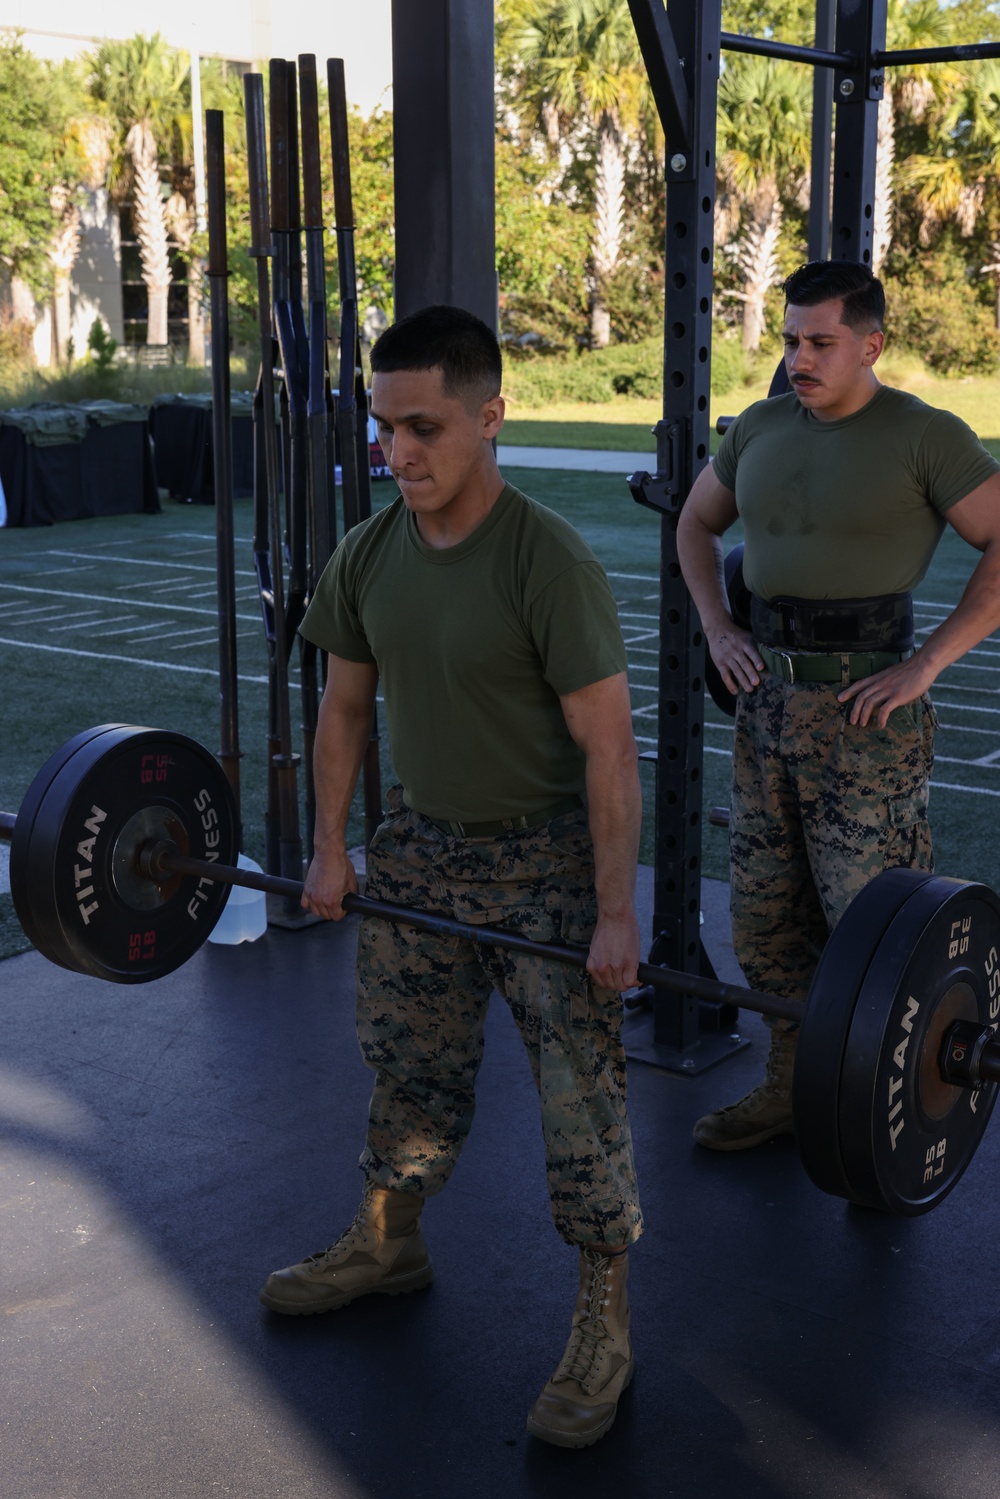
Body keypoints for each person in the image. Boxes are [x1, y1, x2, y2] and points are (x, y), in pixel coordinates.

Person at [259, 304, 643, 1449]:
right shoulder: (368, 551)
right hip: (420, 848)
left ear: (490, 417)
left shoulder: (546, 561)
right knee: (408, 1066)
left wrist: (616, 910)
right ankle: (390, 1237)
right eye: (384, 428)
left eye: (422, 425)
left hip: (541, 863)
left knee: (579, 1103)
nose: (398, 451)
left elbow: (609, 746)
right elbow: (341, 706)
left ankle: (605, 1317)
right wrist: (331, 845)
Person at [677, 259, 1000, 1151]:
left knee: (874, 930)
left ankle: (891, 1116)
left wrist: (927, 664)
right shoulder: (759, 428)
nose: (800, 359)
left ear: (872, 344)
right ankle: (790, 1084)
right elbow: (696, 524)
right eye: (790, 340)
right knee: (764, 919)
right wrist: (717, 627)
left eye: (821, 342)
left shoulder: (925, 435)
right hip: (766, 707)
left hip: (869, 721)